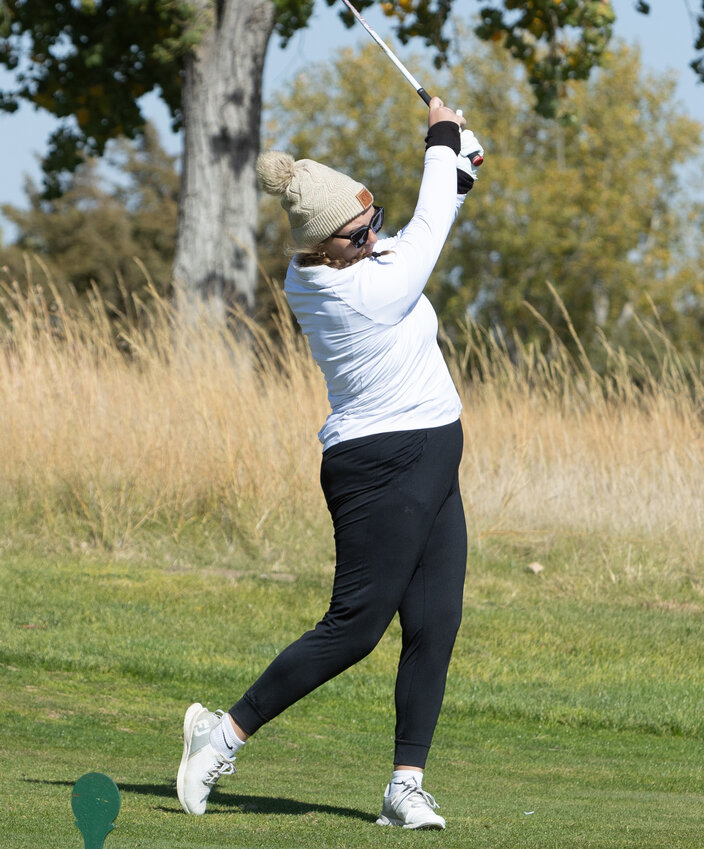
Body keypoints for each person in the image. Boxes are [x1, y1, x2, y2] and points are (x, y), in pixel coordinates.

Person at [177, 97, 484, 830]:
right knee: (355, 625)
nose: (376, 235)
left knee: (436, 619)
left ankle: (405, 785)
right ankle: (218, 737)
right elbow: (427, 230)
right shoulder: (353, 291)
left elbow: (416, 227)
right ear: (328, 248)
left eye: (374, 219)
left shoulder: (359, 257)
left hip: (434, 454)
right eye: (361, 232)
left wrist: (458, 168)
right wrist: (443, 137)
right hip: (380, 465)